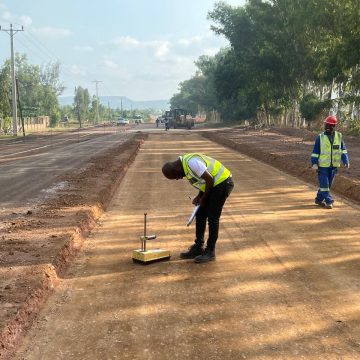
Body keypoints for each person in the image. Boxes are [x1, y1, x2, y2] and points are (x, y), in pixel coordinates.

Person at [162, 153, 234, 263]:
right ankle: (198, 247)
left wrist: (203, 198)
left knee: (213, 218)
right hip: (214, 185)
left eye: (176, 177)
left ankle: (210, 251)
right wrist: (200, 196)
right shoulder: (184, 165)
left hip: (223, 183)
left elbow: (210, 179)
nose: (179, 179)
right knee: (200, 213)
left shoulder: (192, 163)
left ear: (176, 170)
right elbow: (204, 181)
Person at [311, 115, 349, 209]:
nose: (327, 127)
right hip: (322, 166)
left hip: (333, 166)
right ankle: (329, 201)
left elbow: (343, 150)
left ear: (334, 126)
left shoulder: (339, 136)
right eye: (326, 125)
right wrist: (314, 163)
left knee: (328, 185)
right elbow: (315, 152)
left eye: (330, 125)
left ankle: (319, 199)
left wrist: (345, 160)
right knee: (325, 184)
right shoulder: (320, 137)